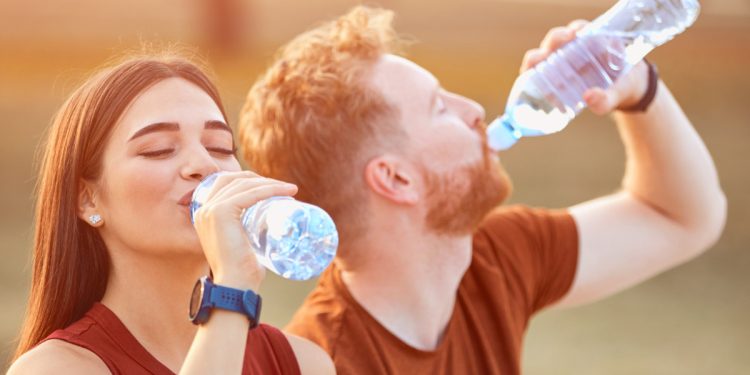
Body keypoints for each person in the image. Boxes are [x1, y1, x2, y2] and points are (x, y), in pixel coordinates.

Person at [237, 6, 727, 375]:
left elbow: (682, 217)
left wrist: (638, 88)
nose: (472, 108)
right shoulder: (325, 360)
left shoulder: (492, 257)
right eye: (438, 108)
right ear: (395, 179)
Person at [7, 52, 335, 374]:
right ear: (88, 200)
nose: (205, 165)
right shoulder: (55, 367)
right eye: (159, 150)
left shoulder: (302, 363)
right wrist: (231, 287)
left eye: (220, 147)